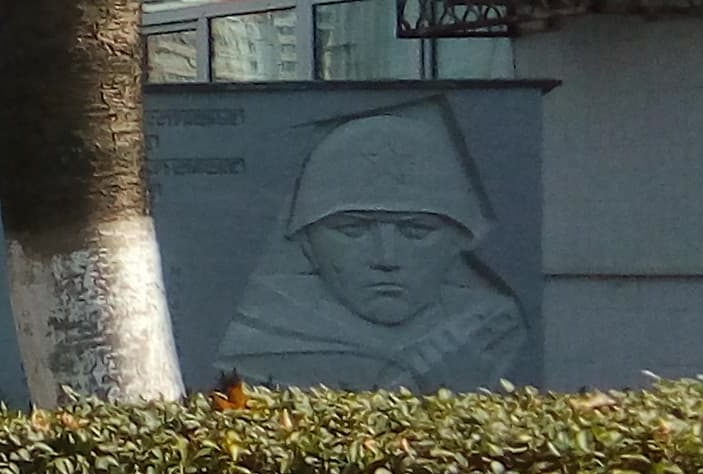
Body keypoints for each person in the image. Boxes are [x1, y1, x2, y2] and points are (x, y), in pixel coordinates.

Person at [217, 103, 530, 391]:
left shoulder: (492, 329)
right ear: (306, 241)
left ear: (458, 240)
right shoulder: (256, 343)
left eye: (416, 230)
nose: (386, 258)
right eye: (352, 229)